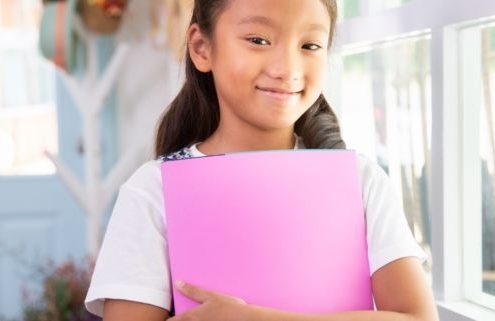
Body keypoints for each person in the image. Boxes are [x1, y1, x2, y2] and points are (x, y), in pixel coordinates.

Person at [85, 0, 439, 320]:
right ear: (201, 47)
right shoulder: (152, 192)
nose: (287, 68)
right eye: (258, 40)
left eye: (310, 45)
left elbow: (418, 318)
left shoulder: (360, 181)